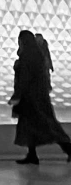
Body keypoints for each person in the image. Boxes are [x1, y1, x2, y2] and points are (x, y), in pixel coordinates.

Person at [13, 31, 71, 166]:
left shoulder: (27, 57)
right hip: (36, 98)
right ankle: (32, 154)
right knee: (34, 127)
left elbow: (25, 78)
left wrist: (17, 95)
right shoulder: (36, 56)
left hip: (32, 100)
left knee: (46, 126)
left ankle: (68, 148)